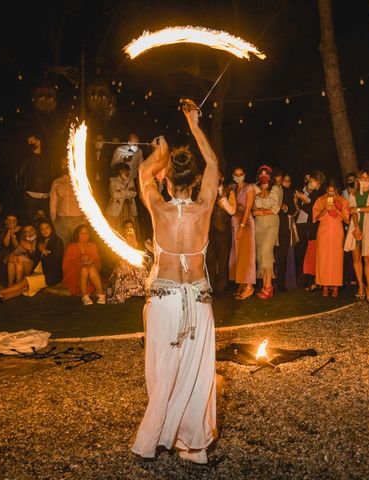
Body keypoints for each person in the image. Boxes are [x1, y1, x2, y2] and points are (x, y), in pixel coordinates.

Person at [131, 99, 218, 465]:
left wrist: (160, 152)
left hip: (165, 300)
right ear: (195, 180)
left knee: (162, 370)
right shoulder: (205, 206)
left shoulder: (158, 207)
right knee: (197, 374)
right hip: (197, 299)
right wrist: (194, 123)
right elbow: (213, 162)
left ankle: (153, 441)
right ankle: (192, 446)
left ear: (167, 179)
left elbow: (142, 176)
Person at [0, 221, 64, 301]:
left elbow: (56, 261)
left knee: (26, 281)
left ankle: (1, 292)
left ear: (51, 229)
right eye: (42, 229)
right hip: (39, 270)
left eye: (47, 228)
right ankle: (5, 297)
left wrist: (44, 251)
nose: (44, 231)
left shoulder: (57, 241)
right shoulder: (41, 241)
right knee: (26, 286)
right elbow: (18, 251)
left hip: (51, 274)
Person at [343, 169, 369, 303]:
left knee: (368, 259)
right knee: (356, 257)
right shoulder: (353, 193)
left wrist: (358, 209)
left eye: (367, 178)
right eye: (362, 178)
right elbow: (352, 211)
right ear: (358, 180)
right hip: (356, 227)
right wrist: (357, 227)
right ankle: (361, 286)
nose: (364, 180)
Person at [313, 181, 349, 297]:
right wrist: (325, 210)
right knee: (323, 257)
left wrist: (336, 209)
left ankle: (335, 286)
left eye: (333, 191)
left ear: (337, 191)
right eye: (329, 191)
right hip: (324, 231)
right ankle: (324, 285)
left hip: (337, 231)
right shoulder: (320, 200)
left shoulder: (342, 201)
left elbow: (347, 219)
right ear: (326, 190)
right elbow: (315, 218)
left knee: (336, 258)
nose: (331, 193)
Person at [252, 166, 282, 299]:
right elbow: (252, 208)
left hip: (271, 224)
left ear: (270, 176)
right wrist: (259, 211)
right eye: (261, 174)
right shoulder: (255, 189)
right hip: (258, 225)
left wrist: (261, 211)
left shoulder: (276, 189)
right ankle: (265, 285)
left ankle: (269, 286)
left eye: (266, 174)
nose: (263, 176)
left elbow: (276, 208)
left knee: (266, 252)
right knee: (260, 255)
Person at [105, 220, 149, 304]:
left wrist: (135, 243)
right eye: (127, 228)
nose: (129, 230)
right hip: (122, 263)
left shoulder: (139, 241)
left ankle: (141, 292)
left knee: (142, 268)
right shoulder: (119, 241)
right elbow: (116, 257)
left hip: (136, 264)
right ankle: (124, 293)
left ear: (134, 230)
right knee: (122, 268)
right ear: (123, 230)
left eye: (131, 228)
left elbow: (143, 258)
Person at [206, 170, 235, 294]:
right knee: (210, 260)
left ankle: (222, 287)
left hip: (223, 231)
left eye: (217, 177)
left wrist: (224, 200)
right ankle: (211, 286)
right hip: (209, 231)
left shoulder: (229, 192)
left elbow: (232, 210)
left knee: (223, 260)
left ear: (222, 178)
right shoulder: (207, 191)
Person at [229, 166, 256, 300]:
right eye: (236, 174)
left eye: (241, 174)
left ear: (244, 175)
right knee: (238, 254)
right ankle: (241, 284)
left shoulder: (249, 187)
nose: (238, 176)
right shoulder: (233, 188)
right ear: (233, 175)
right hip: (235, 222)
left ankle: (249, 287)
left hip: (245, 223)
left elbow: (248, 208)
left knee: (247, 254)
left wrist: (242, 226)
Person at [294, 171, 325, 288]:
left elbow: (310, 207)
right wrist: (301, 197)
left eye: (313, 182)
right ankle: (306, 279)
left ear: (318, 184)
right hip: (305, 226)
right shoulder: (307, 191)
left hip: (314, 227)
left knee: (313, 253)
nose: (311, 184)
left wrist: (302, 197)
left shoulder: (319, 194)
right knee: (305, 252)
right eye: (310, 181)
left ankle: (314, 280)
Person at [62, 224, 104, 305]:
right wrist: (80, 260)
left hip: (92, 273)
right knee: (84, 269)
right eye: (82, 233)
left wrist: (91, 263)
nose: (84, 235)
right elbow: (66, 265)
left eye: (86, 233)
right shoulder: (71, 247)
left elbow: (98, 264)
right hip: (75, 274)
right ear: (77, 235)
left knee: (90, 269)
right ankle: (84, 296)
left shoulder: (93, 246)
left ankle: (101, 294)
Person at [18, 134, 54, 222]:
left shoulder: (47, 157)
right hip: (31, 194)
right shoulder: (26, 158)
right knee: (31, 221)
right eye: (30, 142)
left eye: (34, 140)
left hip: (46, 195)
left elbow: (52, 174)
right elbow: (20, 175)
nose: (33, 142)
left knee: (46, 221)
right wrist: (24, 193)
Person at [50, 158, 85, 245]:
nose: (65, 165)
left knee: (78, 246)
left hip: (78, 220)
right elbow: (53, 201)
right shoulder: (57, 182)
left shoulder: (80, 181)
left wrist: (85, 220)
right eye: (63, 163)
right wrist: (53, 219)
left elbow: (86, 201)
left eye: (67, 163)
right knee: (63, 246)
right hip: (61, 221)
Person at [275, 173, 297, 291]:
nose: (286, 183)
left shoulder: (289, 192)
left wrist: (286, 208)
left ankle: (281, 283)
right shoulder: (275, 190)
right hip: (272, 224)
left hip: (284, 227)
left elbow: (292, 209)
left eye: (289, 181)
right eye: (284, 180)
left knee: (283, 255)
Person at [106, 162, 138, 232]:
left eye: (128, 171)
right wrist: (127, 192)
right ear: (120, 171)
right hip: (117, 210)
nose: (128, 173)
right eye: (126, 170)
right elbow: (114, 194)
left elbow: (134, 193)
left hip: (129, 209)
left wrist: (121, 191)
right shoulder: (113, 180)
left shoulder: (130, 181)